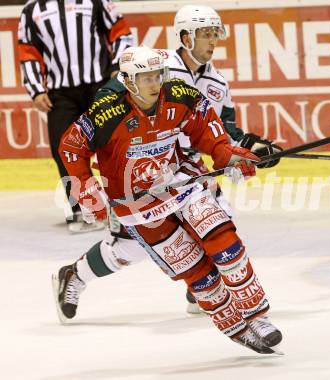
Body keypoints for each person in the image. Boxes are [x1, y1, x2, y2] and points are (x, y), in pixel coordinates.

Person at [52, 46, 283, 354]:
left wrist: (226, 154)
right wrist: (87, 189)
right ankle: (236, 327)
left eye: (156, 75)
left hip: (177, 182)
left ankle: (257, 315)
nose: (153, 83)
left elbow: (206, 129)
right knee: (194, 271)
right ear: (129, 81)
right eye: (145, 78)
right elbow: (71, 146)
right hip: (136, 204)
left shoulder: (179, 96)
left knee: (221, 235)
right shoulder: (107, 111)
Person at [98, 4, 282, 312]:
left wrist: (251, 147)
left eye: (215, 35)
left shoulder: (217, 84)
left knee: (219, 218)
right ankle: (75, 276)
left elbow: (225, 130)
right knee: (132, 247)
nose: (213, 42)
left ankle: (201, 290)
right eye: (206, 34)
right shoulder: (156, 64)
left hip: (185, 167)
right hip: (143, 166)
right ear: (185, 37)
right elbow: (108, 101)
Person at [18, 0, 133, 232]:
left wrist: (118, 67)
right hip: (60, 93)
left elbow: (120, 32)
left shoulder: (96, 1)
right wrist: (36, 89)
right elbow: (28, 51)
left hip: (100, 86)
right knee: (63, 148)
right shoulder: (31, 9)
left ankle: (123, 206)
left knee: (113, 143)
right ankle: (86, 208)